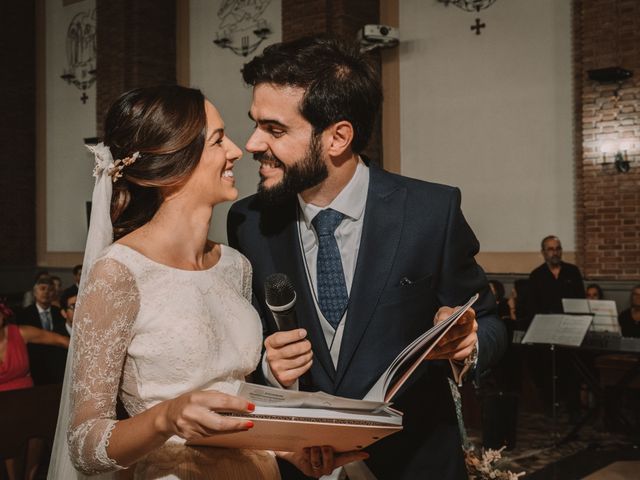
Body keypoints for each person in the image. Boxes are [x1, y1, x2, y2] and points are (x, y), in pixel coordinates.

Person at [49, 85, 363, 480]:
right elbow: (84, 445)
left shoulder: (235, 265)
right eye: (217, 140)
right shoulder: (119, 272)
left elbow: (235, 399)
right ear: (173, 162)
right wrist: (166, 417)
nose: (236, 150)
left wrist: (284, 446)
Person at [228, 37, 507, 480]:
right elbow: (246, 343)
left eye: (275, 129)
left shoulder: (430, 212)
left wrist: (468, 343)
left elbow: (491, 321)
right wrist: (270, 367)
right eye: (255, 124)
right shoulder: (248, 221)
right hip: (302, 463)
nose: (252, 143)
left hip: (413, 461)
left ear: (338, 136)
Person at [1, 300, 69, 480]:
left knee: (38, 429)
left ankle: (31, 477)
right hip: (2, 404)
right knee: (8, 435)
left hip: (28, 398)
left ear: (3, 315)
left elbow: (60, 340)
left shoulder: (20, 332)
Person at [17, 276, 69, 385]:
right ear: (35, 293)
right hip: (34, 364)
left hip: (57, 364)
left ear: (54, 294)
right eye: (42, 289)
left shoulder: (60, 313)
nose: (46, 292)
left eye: (50, 290)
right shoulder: (24, 314)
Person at [526, 235, 585, 319]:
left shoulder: (572, 271)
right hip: (546, 323)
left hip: (570, 321)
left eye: (558, 249)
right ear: (543, 252)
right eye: (550, 249)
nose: (555, 253)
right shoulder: (536, 275)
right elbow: (532, 307)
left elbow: (581, 301)